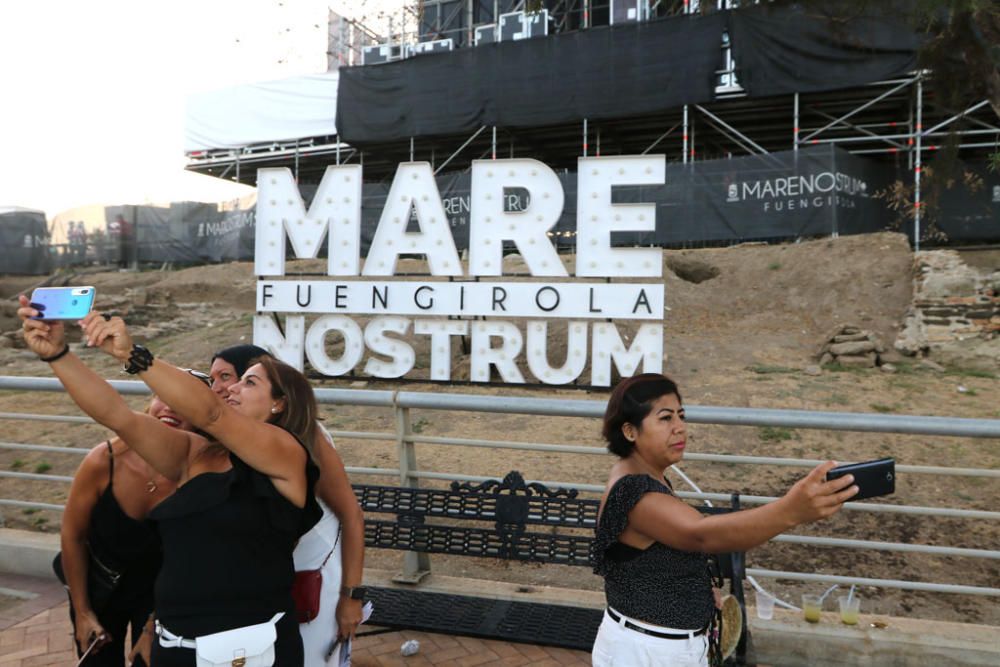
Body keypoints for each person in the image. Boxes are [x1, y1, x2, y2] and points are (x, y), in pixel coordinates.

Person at [18, 296, 322, 666]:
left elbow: (211, 414)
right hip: (175, 643)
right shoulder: (196, 454)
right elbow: (118, 416)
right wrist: (57, 354)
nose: (229, 388)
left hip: (247, 650)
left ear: (280, 404)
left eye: (249, 382)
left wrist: (133, 355)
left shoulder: (287, 454)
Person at [590, 374, 858, 667]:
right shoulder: (634, 492)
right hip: (647, 652)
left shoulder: (644, 474)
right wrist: (790, 510)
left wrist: (697, 585)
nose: (680, 427)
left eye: (682, 416)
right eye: (665, 418)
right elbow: (701, 535)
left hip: (658, 645)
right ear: (630, 431)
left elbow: (654, 555)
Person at [210, 344, 366, 665]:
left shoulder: (309, 439)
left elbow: (351, 515)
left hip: (311, 582)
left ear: (279, 400)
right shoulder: (229, 440)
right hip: (260, 588)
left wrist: (352, 597)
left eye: (230, 377)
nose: (222, 388)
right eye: (212, 379)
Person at [56, 389, 202, 666]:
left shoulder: (198, 475)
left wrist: (153, 626)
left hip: (159, 593)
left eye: (183, 403)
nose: (170, 408)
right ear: (149, 405)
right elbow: (72, 536)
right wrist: (83, 610)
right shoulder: (104, 459)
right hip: (97, 587)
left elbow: (188, 560)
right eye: (163, 397)